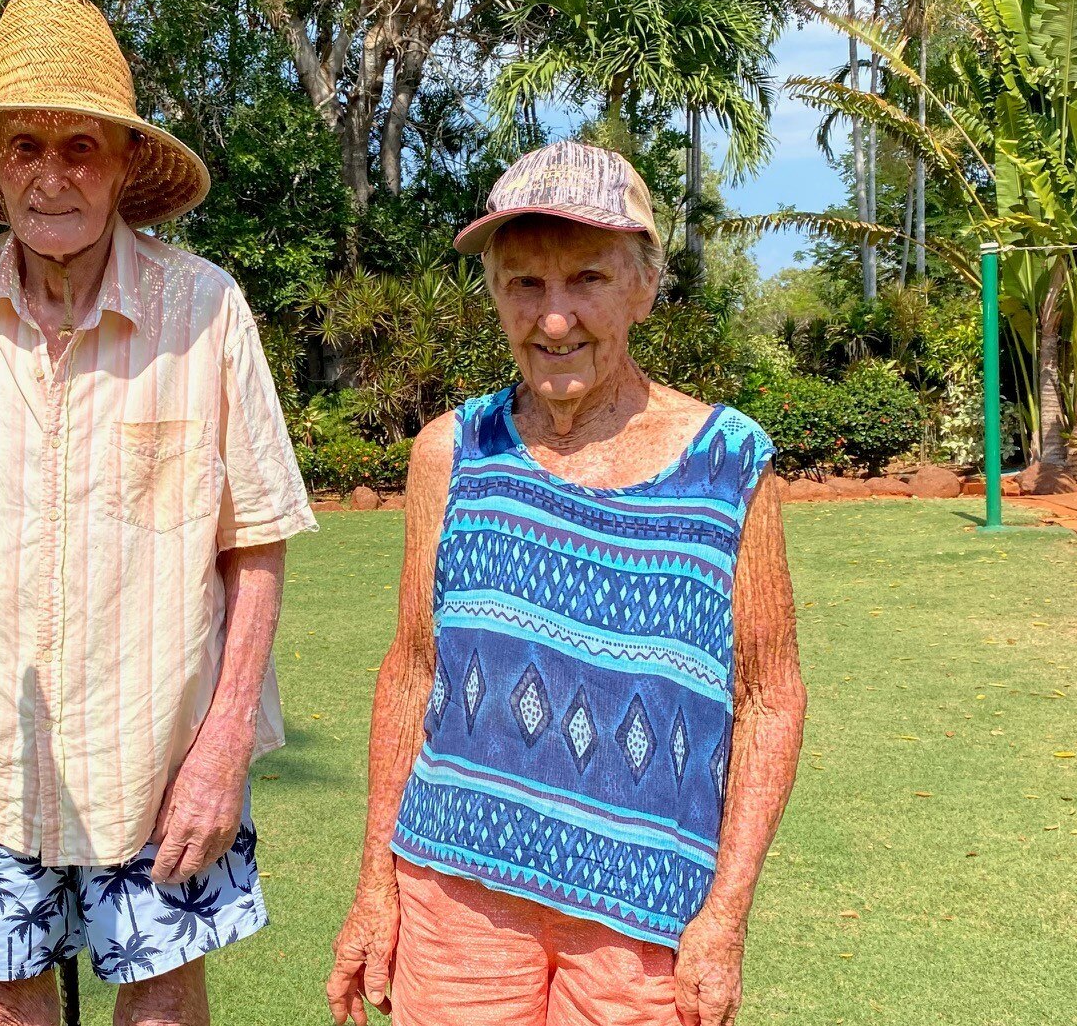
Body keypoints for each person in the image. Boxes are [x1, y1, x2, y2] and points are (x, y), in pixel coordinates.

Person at [0, 0, 317, 1026]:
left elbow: (254, 538)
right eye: (25, 142)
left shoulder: (205, 308)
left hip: (163, 752)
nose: (53, 173)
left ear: (125, 162)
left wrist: (222, 746)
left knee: (163, 1007)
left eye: (81, 146)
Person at [326, 141, 806, 1026]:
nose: (554, 320)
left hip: (642, 922)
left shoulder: (729, 462)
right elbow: (412, 669)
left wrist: (726, 918)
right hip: (455, 896)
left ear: (643, 287)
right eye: (524, 286)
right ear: (496, 297)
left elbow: (769, 696)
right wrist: (375, 888)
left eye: (586, 278)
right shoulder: (452, 452)